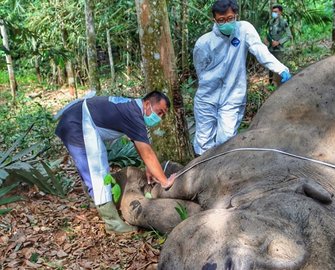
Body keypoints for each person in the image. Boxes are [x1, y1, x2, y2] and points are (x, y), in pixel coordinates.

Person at [55, 91, 177, 233]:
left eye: (163, 115)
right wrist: (165, 181)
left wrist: (149, 168)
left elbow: (139, 144)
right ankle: (112, 223)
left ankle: (97, 204)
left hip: (76, 117)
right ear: (148, 104)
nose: (160, 117)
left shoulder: (132, 108)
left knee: (91, 167)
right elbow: (147, 152)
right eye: (159, 112)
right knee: (97, 170)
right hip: (79, 121)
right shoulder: (134, 114)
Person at [192, 0, 292, 156]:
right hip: (207, 98)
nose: (226, 22)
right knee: (203, 143)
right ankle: (200, 174)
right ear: (215, 20)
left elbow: (259, 50)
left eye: (230, 18)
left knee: (226, 141)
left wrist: (280, 69)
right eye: (221, 20)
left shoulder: (244, 29)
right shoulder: (204, 43)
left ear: (236, 16)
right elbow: (201, 72)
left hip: (233, 95)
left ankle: (223, 174)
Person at [264, 4, 292, 86]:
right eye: (273, 12)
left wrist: (279, 42)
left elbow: (289, 35)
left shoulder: (284, 22)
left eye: (276, 12)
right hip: (270, 49)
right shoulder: (270, 22)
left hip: (279, 49)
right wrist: (266, 39)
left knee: (279, 68)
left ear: (280, 12)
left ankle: (279, 86)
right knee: (270, 67)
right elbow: (268, 33)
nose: (274, 13)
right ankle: (270, 85)